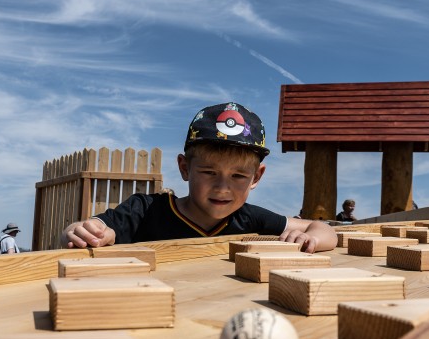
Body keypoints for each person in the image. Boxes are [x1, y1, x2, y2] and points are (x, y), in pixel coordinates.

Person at [62, 102, 337, 253]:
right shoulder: (144, 211)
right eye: (208, 172)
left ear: (257, 177)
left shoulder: (249, 218)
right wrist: (86, 232)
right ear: (184, 168)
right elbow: (85, 229)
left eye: (239, 175)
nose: (223, 187)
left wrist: (312, 239)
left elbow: (321, 228)